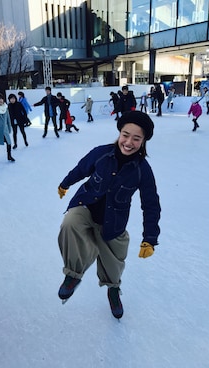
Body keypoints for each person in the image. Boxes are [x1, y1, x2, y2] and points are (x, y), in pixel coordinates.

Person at [57, 110, 161, 319]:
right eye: (125, 134)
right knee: (70, 222)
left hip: (113, 223)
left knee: (114, 265)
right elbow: (81, 169)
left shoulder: (142, 169)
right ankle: (73, 275)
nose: (129, 142)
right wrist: (65, 183)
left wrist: (150, 238)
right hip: (85, 206)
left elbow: (151, 204)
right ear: (119, 133)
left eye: (136, 138)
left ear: (143, 141)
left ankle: (113, 290)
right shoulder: (101, 153)